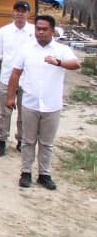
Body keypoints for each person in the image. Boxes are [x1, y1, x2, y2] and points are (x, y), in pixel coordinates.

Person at [8, 14, 80, 191]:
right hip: (30, 102)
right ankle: (26, 172)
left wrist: (58, 62)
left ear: (52, 31)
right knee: (28, 140)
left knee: (47, 143)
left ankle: (44, 174)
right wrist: (10, 96)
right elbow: (15, 73)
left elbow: (76, 64)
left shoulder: (60, 50)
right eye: (38, 29)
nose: (40, 32)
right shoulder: (26, 49)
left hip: (52, 104)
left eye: (44, 29)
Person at [0, 0, 35, 156]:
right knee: (5, 111)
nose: (20, 14)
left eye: (23, 11)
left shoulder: (34, 31)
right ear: (13, 12)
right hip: (7, 77)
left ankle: (22, 140)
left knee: (25, 112)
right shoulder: (4, 31)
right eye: (17, 10)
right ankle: (2, 139)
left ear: (28, 13)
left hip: (27, 80)